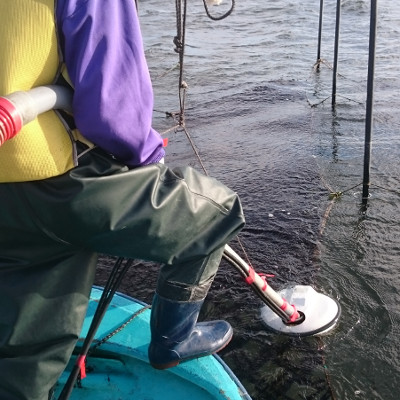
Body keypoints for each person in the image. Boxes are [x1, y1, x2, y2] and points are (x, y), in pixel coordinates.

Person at [0, 1, 245, 399]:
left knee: (24, 347)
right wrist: (146, 157)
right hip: (51, 179)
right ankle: (173, 341)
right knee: (214, 213)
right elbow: (113, 105)